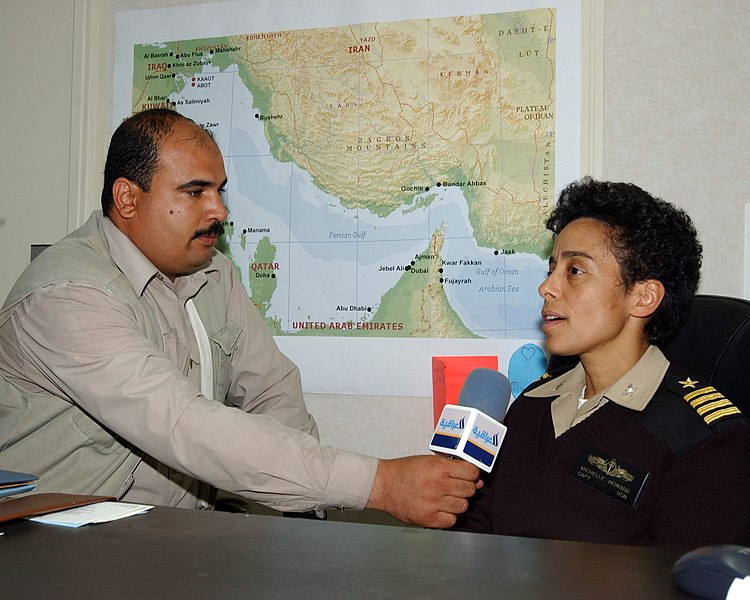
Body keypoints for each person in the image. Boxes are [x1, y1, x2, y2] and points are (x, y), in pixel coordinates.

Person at [0, 108, 481, 528]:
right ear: (128, 198)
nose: (220, 210)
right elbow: (184, 425)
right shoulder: (67, 297)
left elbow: (270, 389)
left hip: (174, 543)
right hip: (56, 550)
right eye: (195, 192)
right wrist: (379, 484)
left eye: (220, 190)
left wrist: (304, 517)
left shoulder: (214, 274)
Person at [453, 178, 750, 547]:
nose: (546, 288)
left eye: (575, 271)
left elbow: (693, 580)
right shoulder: (531, 405)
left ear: (643, 298)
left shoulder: (703, 439)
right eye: (551, 269)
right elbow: (479, 536)